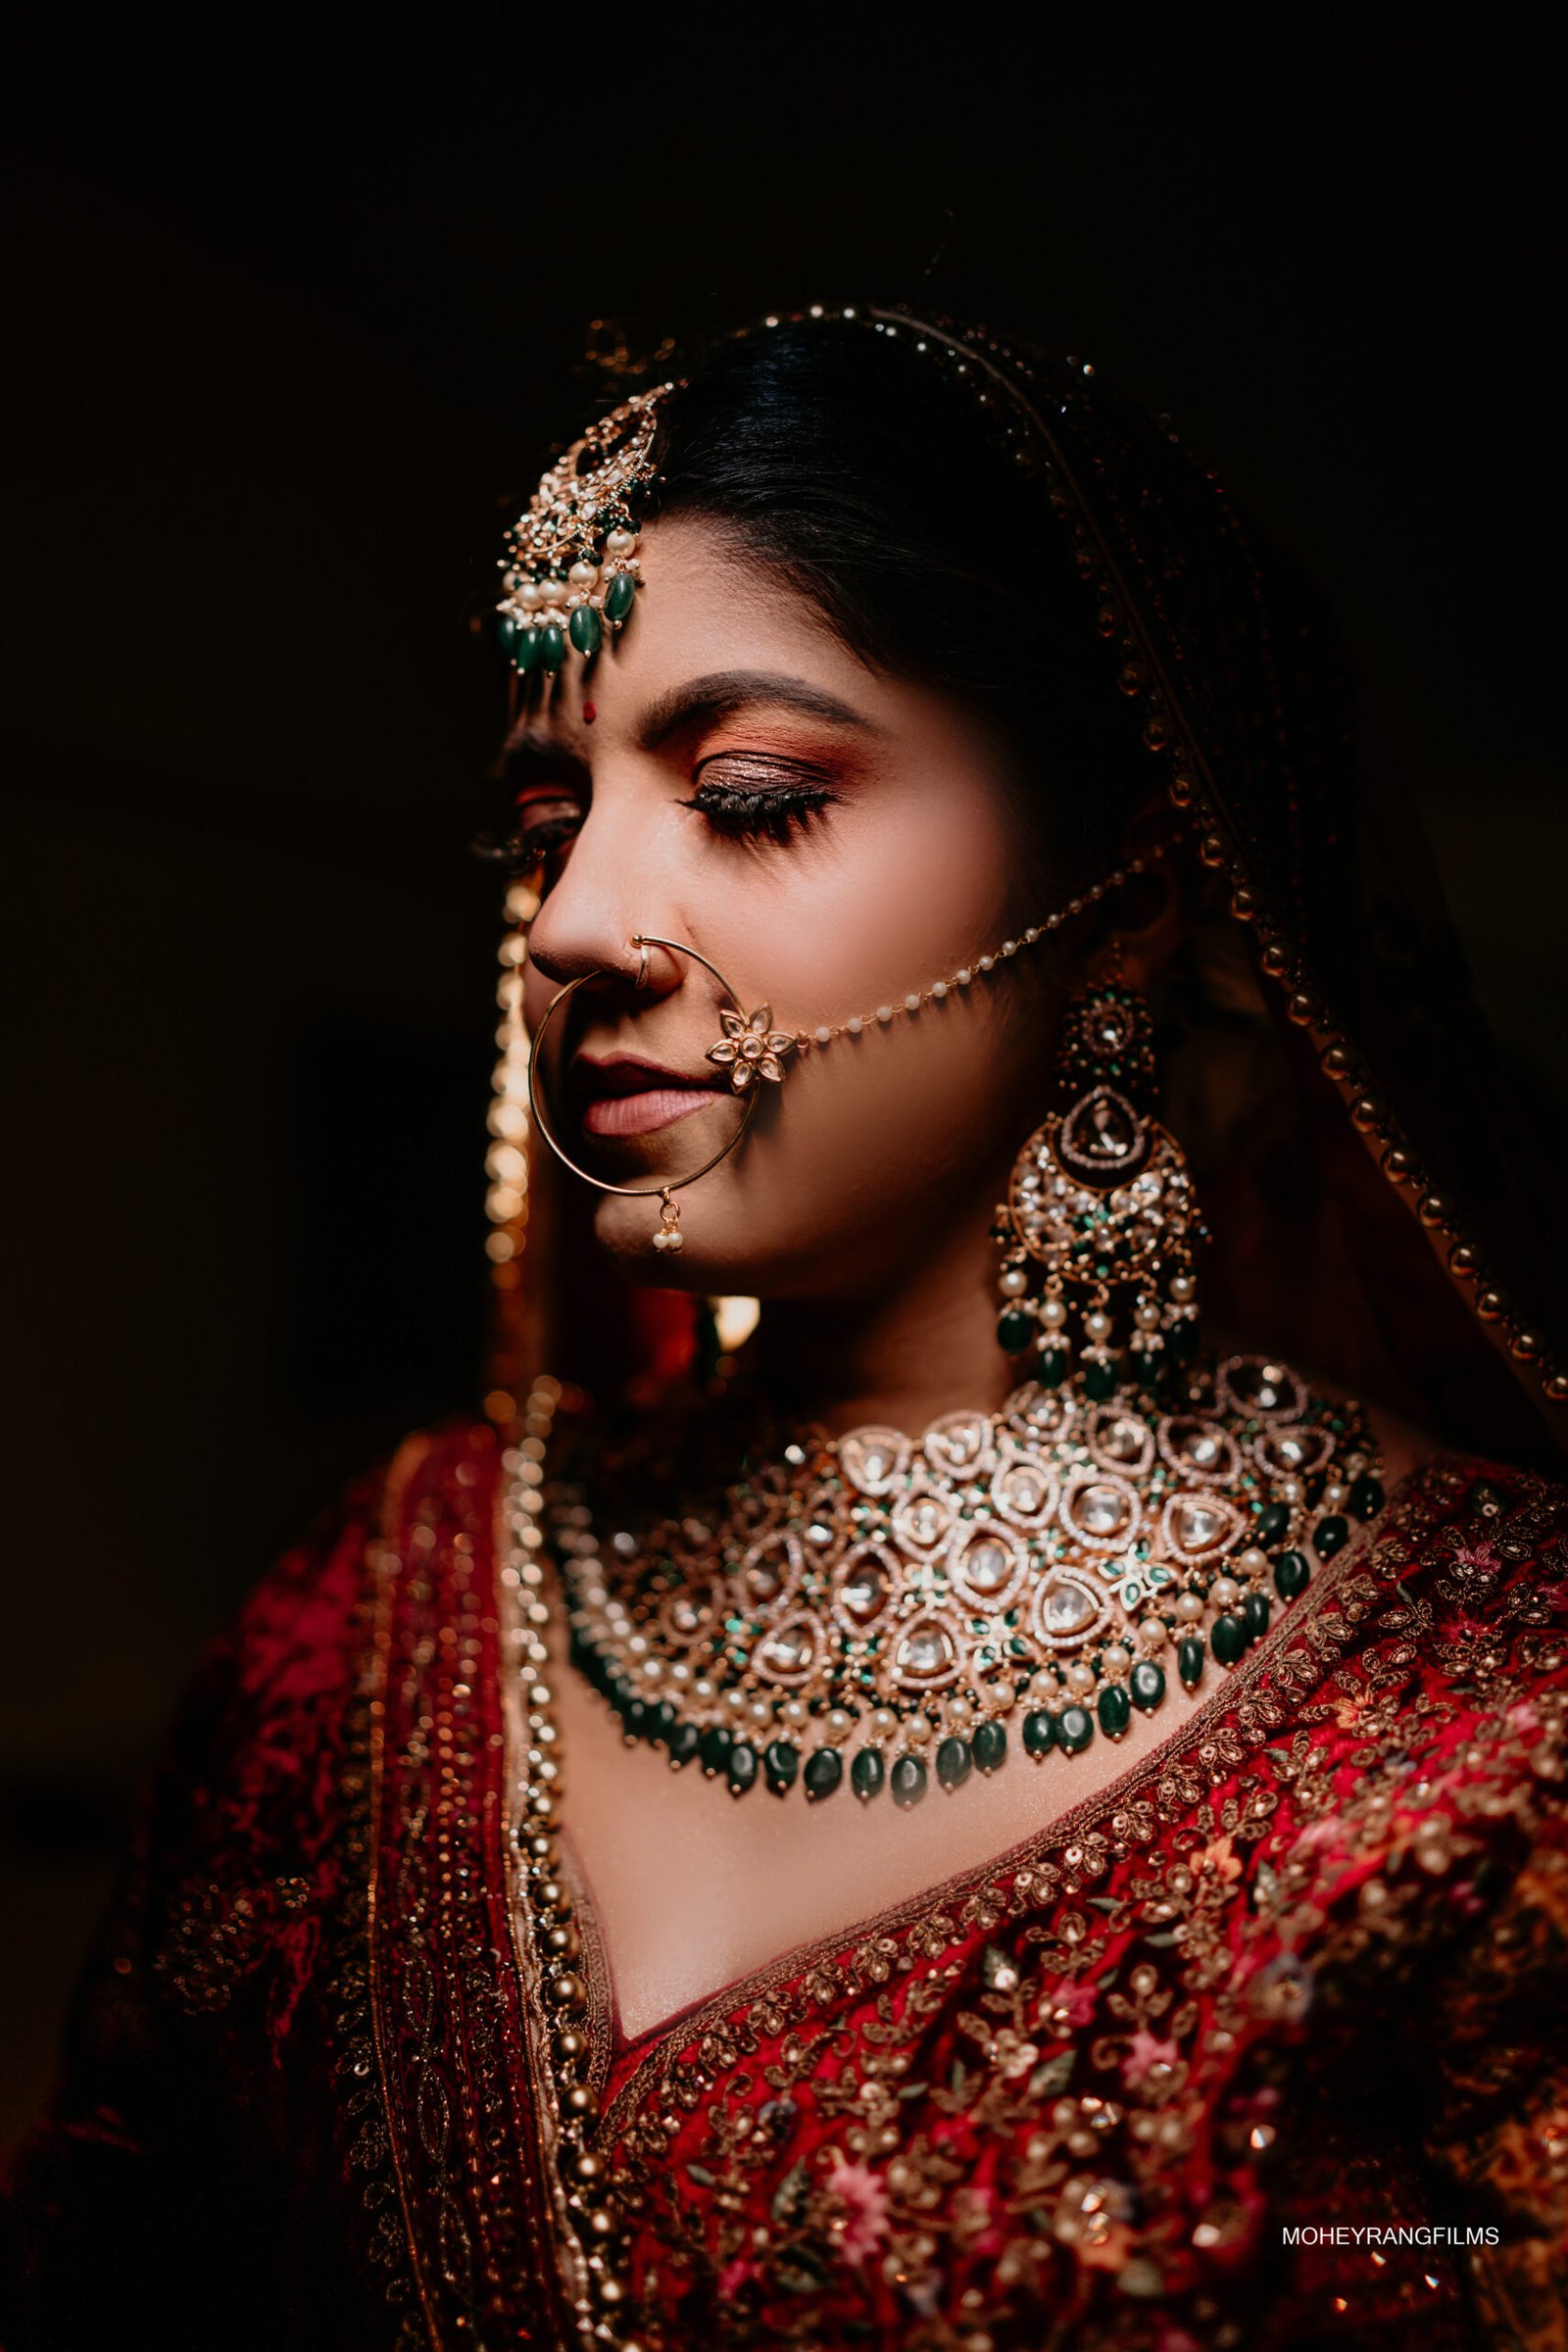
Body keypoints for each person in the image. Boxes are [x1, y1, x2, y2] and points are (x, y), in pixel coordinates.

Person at [4, 306, 1567, 2351]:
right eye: (544, 821)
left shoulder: (1492, 1723)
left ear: (1124, 892)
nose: (568, 928)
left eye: (746, 796)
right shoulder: (374, 1612)